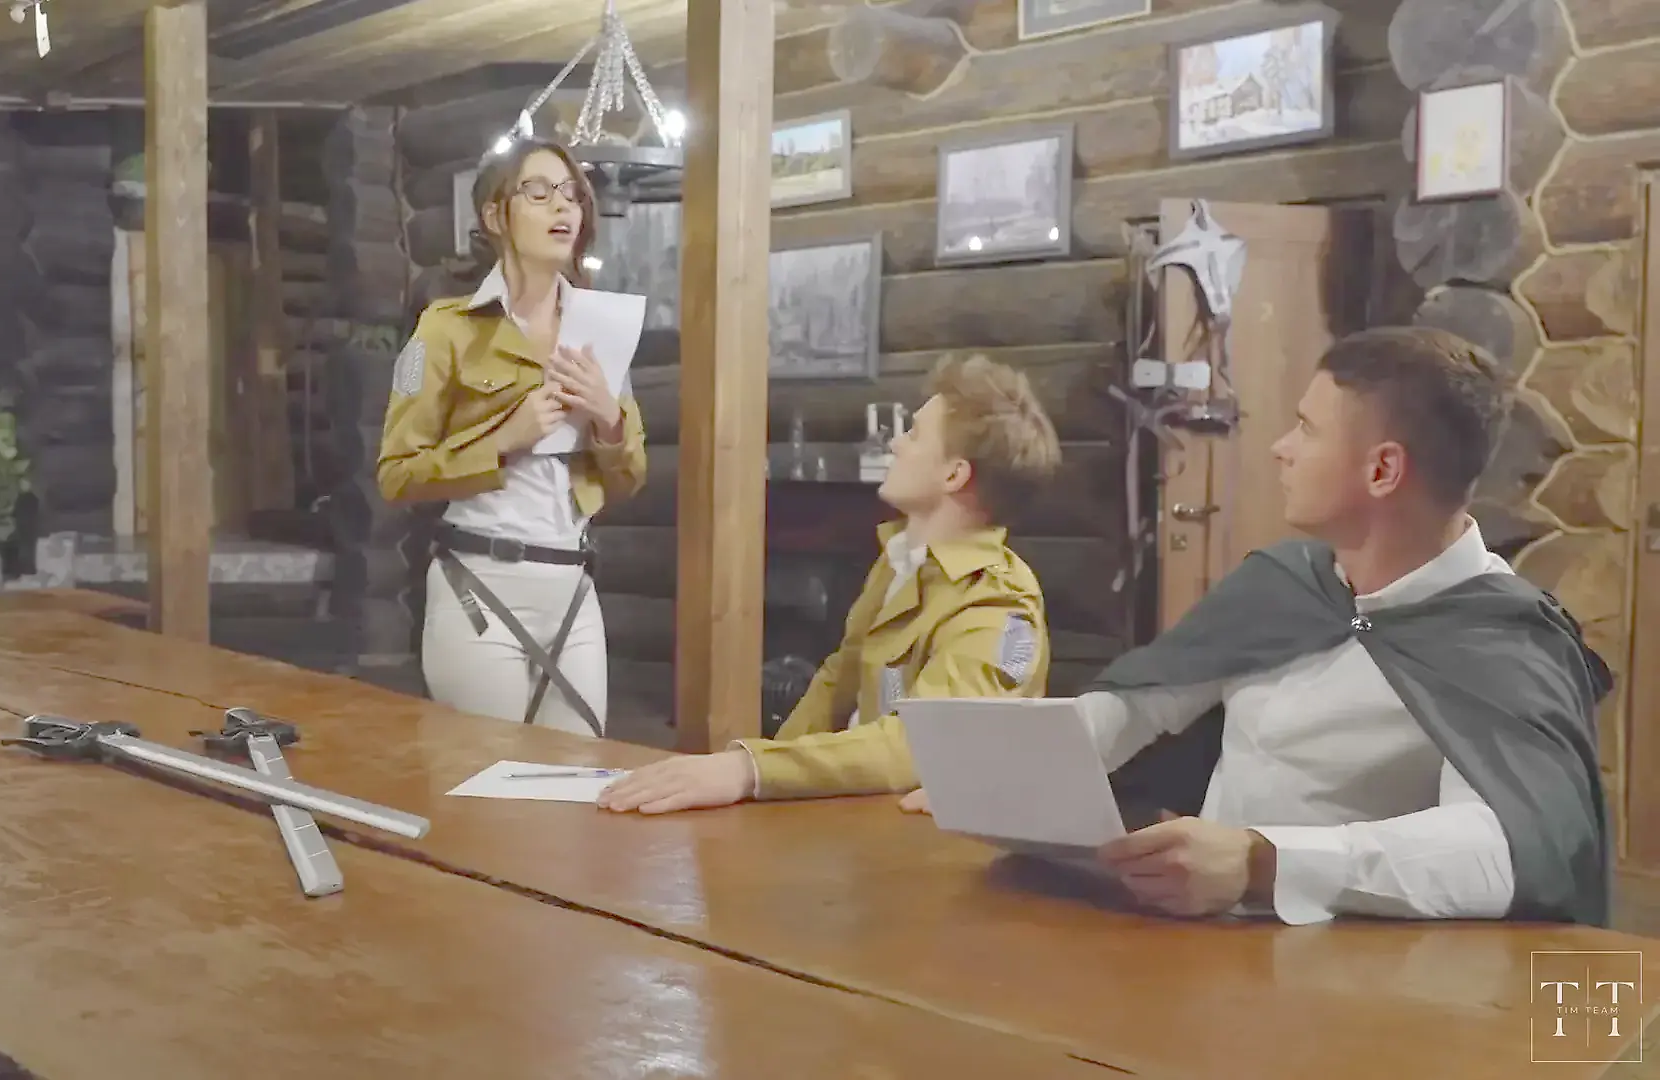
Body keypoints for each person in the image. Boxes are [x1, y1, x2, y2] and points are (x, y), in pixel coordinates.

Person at [1054, 326, 1610, 926]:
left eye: (1307, 428)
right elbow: (1138, 706)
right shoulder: (1286, 583)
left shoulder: (1505, 642)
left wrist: (1265, 861)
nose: (1281, 448)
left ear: (1382, 470)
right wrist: (1009, 770)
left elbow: (1500, 848)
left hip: (1360, 962)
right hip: (1201, 938)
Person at [597, 353, 1063, 815]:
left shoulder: (997, 603)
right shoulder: (902, 559)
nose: (896, 444)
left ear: (954, 474)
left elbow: (922, 748)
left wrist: (750, 770)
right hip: (863, 817)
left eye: (914, 434)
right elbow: (838, 680)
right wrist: (752, 782)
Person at [376, 138, 647, 738]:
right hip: (479, 584)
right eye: (539, 192)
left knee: (578, 776)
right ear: (495, 216)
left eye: (572, 194)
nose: (564, 206)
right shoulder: (444, 329)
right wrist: (506, 439)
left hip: (573, 589)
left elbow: (629, 478)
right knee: (487, 780)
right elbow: (397, 474)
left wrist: (609, 419)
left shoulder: (601, 328)